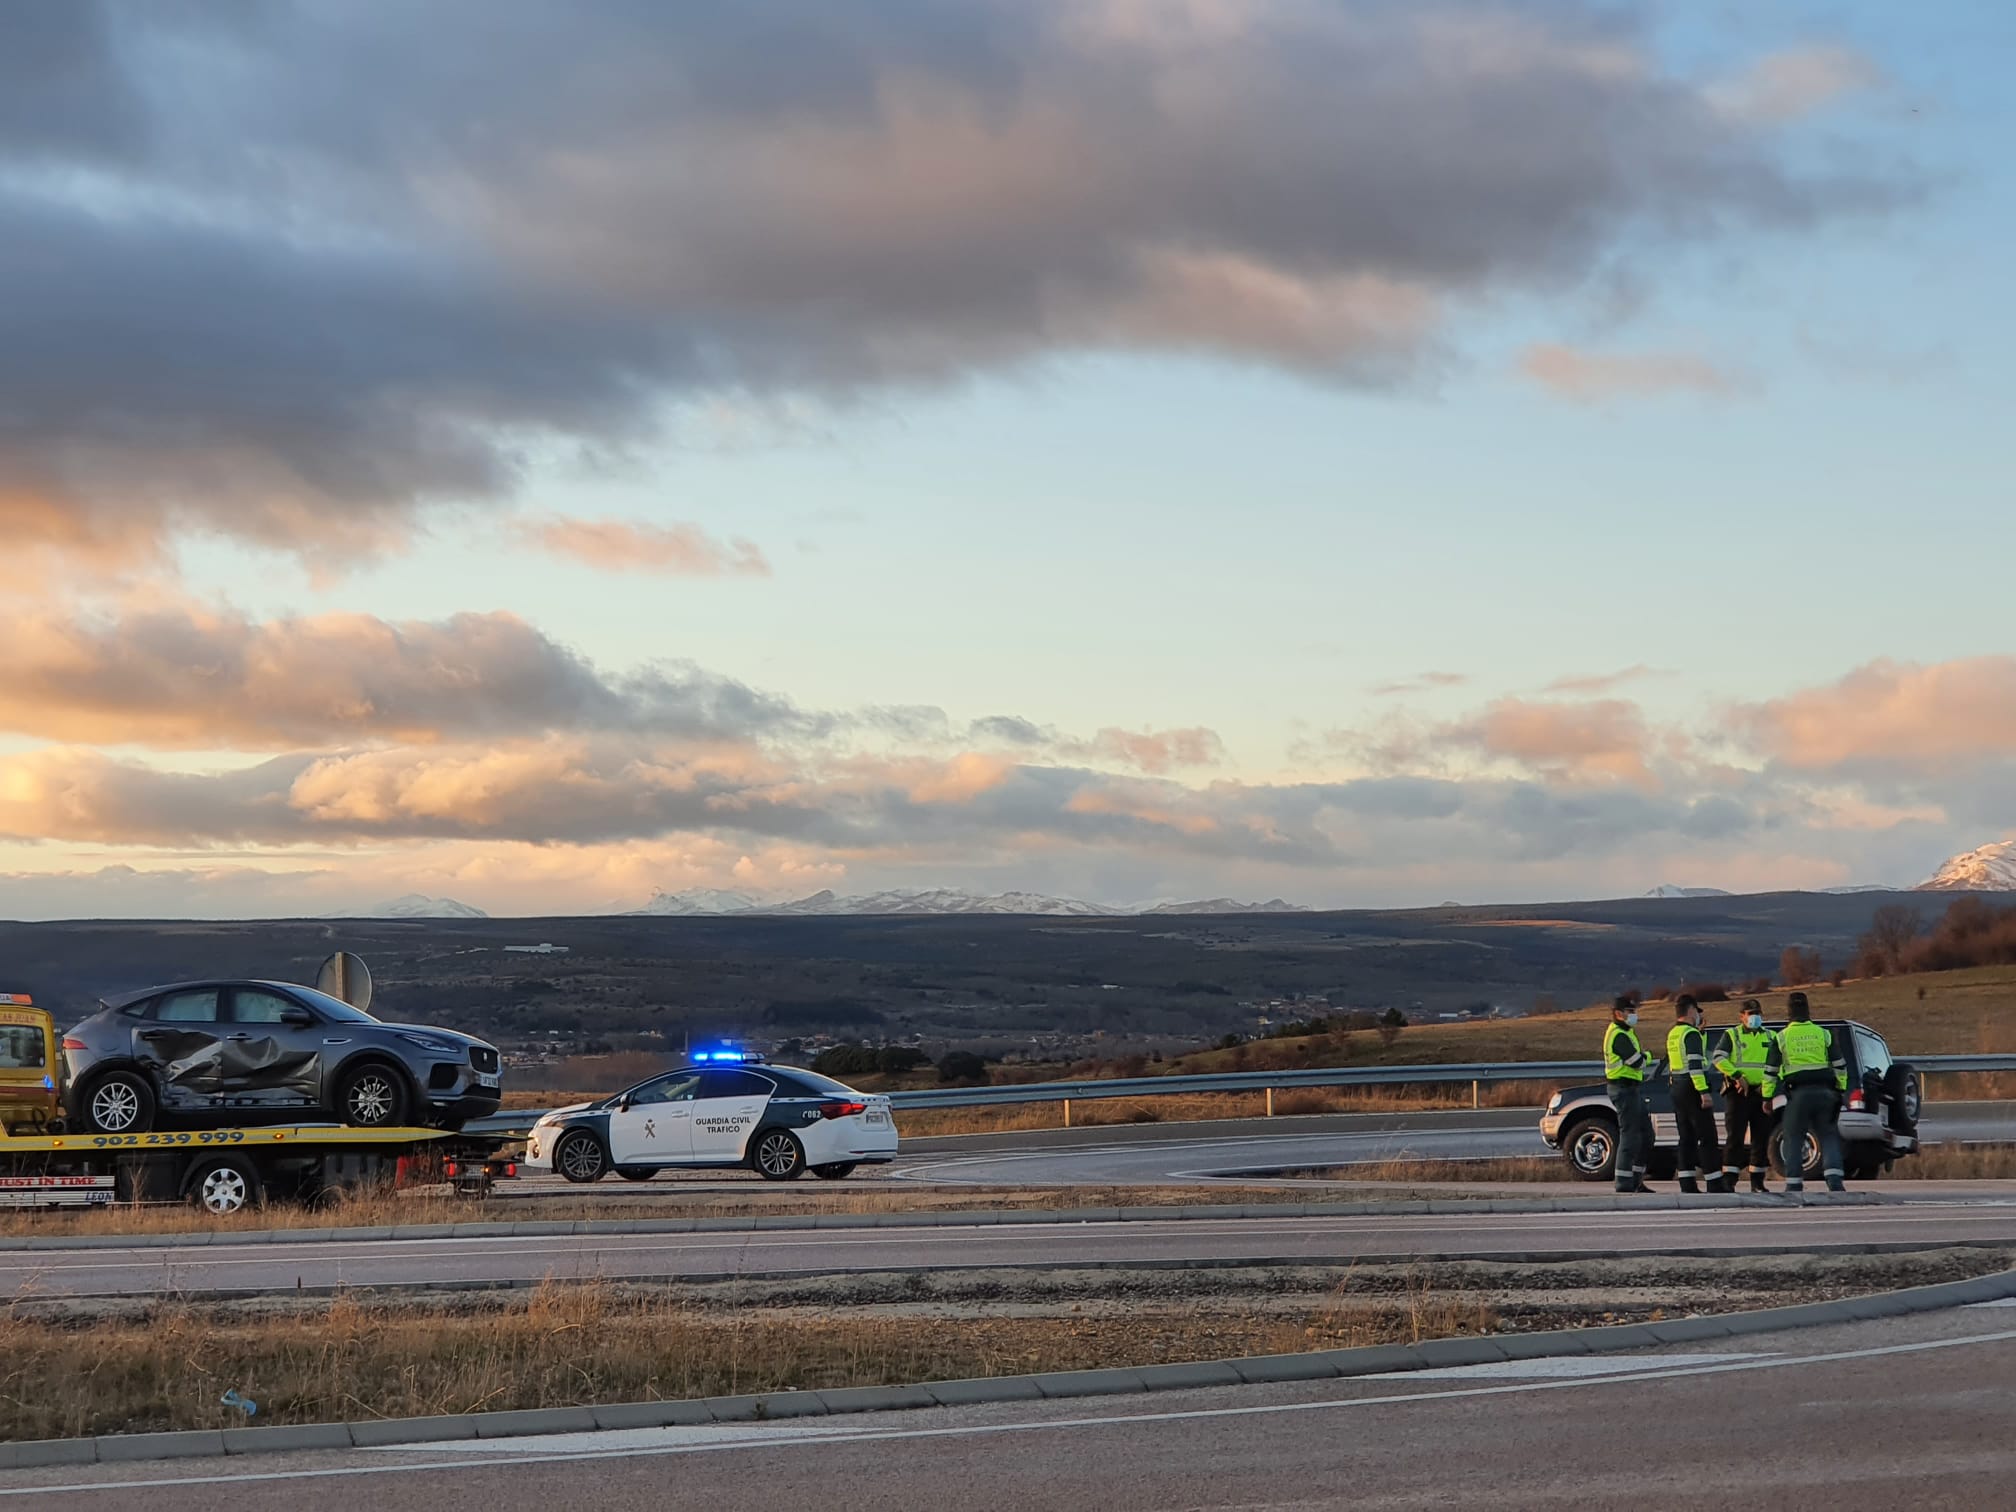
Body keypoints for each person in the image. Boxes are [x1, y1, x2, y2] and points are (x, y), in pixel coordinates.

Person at [1777, 991, 1849, 1194]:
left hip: (1798, 1094)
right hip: (1826, 1093)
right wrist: (1840, 1090)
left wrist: (1766, 1096)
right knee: (1828, 1135)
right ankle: (1835, 1181)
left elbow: (1770, 1071)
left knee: (1793, 1136)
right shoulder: (1823, 1033)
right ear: (1808, 1010)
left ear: (1788, 1011)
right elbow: (1840, 1065)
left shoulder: (1782, 1037)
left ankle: (1793, 1184)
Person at [1715, 998, 1781, 1193]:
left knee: (1760, 1138)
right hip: (1738, 1093)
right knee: (1734, 1137)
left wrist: (1769, 1085)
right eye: (1750, 1014)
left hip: (1762, 1092)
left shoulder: (1771, 1036)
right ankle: (1729, 1180)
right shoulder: (1731, 1035)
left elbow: (1781, 1063)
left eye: (1757, 1013)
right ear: (1741, 1016)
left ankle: (1757, 1181)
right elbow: (1718, 1058)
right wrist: (1737, 1076)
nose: (1754, 1017)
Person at [1666, 995, 1727, 1194]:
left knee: (1686, 1136)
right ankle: (1714, 1182)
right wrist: (1704, 1092)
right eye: (1698, 1012)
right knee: (1707, 1136)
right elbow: (1695, 1066)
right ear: (1691, 1010)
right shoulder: (1690, 1034)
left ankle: (1687, 1183)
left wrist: (1701, 1034)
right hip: (1692, 1087)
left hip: (1677, 1086)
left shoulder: (1674, 1033)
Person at [1603, 994, 1656, 1193]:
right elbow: (1638, 1062)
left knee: (1645, 1135)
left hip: (1632, 1088)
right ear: (1618, 1013)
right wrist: (1648, 1056)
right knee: (1630, 1136)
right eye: (1630, 1011)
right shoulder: (1618, 1035)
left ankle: (1635, 1179)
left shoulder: (1627, 1032)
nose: (1634, 1015)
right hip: (1623, 1088)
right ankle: (1624, 1182)